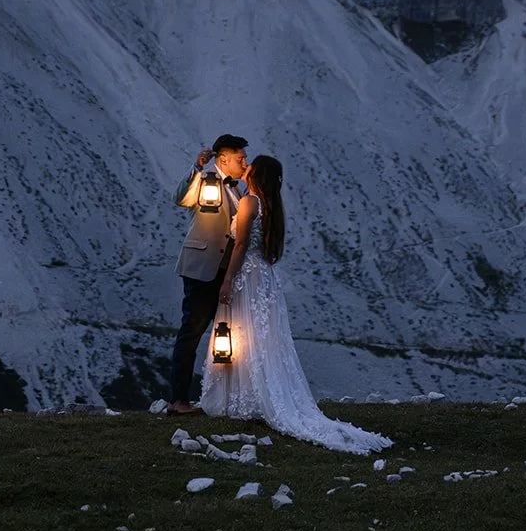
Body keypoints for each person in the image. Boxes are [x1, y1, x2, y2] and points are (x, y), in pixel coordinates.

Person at [200, 154, 391, 453]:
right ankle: (254, 395)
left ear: (258, 175)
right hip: (265, 277)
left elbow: (240, 245)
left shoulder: (250, 203)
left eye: (251, 166)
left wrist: (227, 279)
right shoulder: (271, 206)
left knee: (244, 333)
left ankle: (245, 397)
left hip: (248, 275)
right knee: (260, 337)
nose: (246, 167)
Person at [167, 133, 249, 415]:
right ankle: (178, 400)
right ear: (223, 159)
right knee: (191, 332)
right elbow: (179, 198)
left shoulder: (238, 190)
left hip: (225, 273)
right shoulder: (205, 180)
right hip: (201, 269)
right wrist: (197, 167)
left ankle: (223, 397)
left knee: (228, 337)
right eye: (240, 159)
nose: (244, 163)